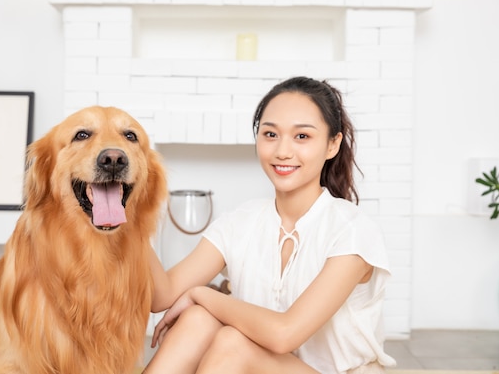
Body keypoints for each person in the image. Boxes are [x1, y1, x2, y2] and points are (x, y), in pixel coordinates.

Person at [146, 76, 396, 374]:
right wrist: (131, 218)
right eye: (270, 134)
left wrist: (202, 293)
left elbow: (283, 334)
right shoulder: (240, 223)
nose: (282, 151)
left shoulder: (352, 229)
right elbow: (162, 296)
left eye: (302, 136)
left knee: (231, 342)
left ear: (332, 145)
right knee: (198, 320)